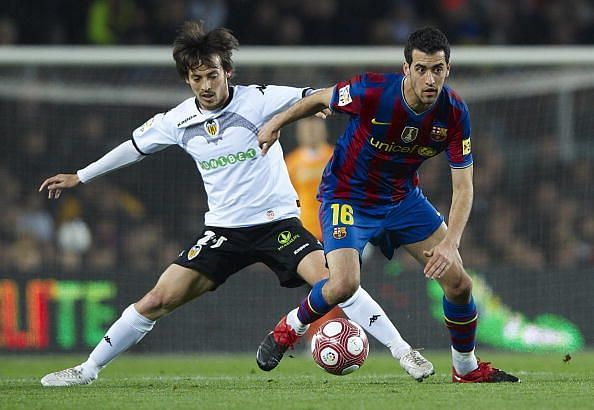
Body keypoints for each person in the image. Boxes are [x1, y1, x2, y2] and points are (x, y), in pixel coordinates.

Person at [38, 22, 433, 387]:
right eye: (197, 78)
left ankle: (404, 353)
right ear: (188, 80)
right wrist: (81, 175)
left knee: (338, 282)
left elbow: (309, 96)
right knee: (156, 300)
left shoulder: (258, 100)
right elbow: (134, 148)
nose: (206, 85)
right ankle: (87, 369)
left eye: (213, 74)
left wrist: (319, 103)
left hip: (278, 224)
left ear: (228, 72)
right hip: (223, 231)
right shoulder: (177, 120)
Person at [256, 27, 519, 383]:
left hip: (402, 201)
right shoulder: (373, 91)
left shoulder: (454, 113)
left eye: (437, 69)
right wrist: (275, 123)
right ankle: (288, 329)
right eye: (422, 68)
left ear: (448, 69)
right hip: (347, 196)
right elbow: (320, 98)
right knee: (343, 285)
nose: (430, 78)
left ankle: (466, 369)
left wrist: (450, 242)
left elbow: (464, 185)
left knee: (460, 284)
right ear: (406, 67)